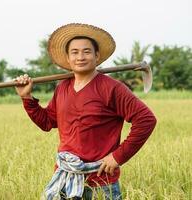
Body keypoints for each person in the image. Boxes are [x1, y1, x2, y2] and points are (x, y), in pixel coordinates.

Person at [14, 23, 157, 200]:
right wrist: (27, 98)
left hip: (100, 183)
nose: (80, 57)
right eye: (74, 52)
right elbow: (47, 123)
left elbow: (146, 119)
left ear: (97, 56)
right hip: (65, 178)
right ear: (68, 58)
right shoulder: (62, 88)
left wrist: (118, 156)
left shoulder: (112, 88)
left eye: (86, 51)